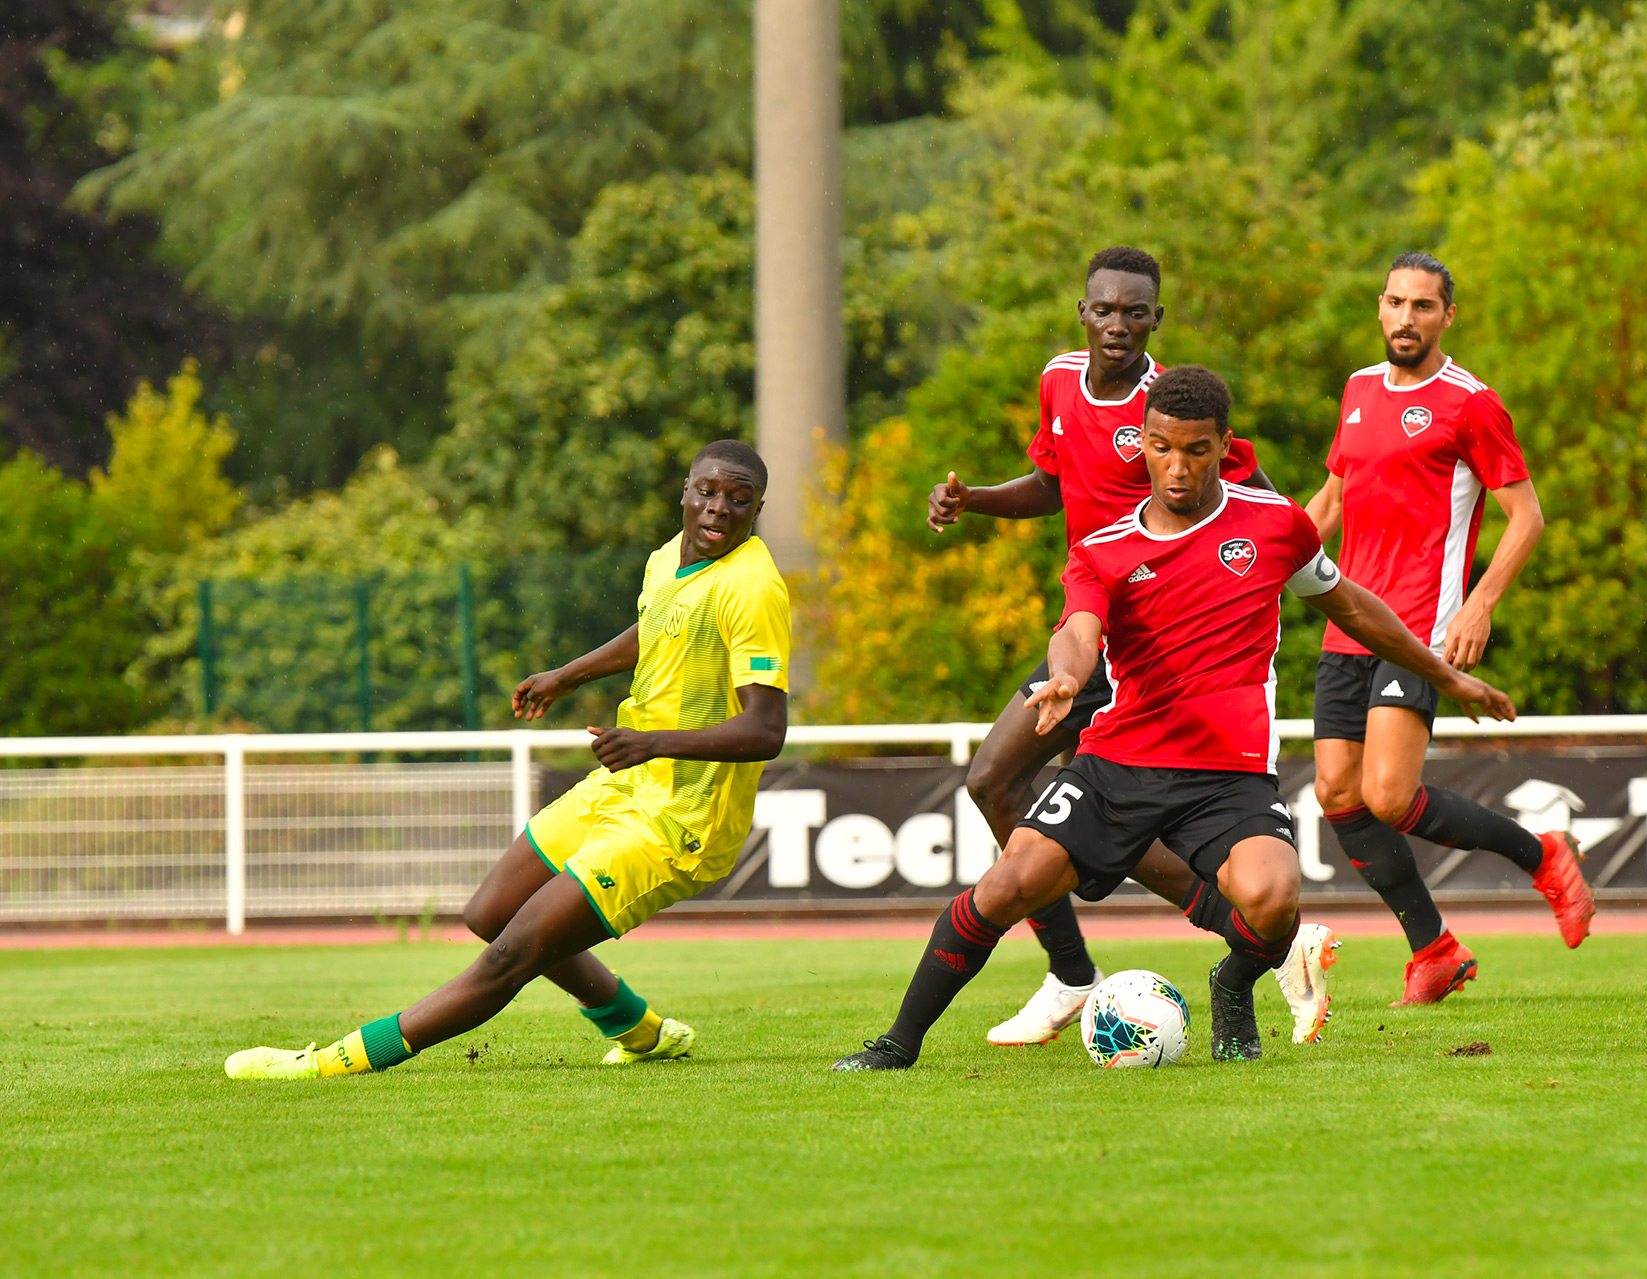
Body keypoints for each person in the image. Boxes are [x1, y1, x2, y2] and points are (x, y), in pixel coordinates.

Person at [835, 366, 1515, 1071]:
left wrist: (1446, 674)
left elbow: (1352, 606)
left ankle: (1232, 984)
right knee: (1008, 885)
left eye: (1195, 449)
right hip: (1118, 766)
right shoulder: (1103, 549)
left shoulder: (1276, 525)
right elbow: (1077, 627)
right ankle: (897, 1043)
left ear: (1225, 445)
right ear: (1145, 445)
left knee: (1273, 896)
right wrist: (1068, 674)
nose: (1177, 467)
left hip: (1230, 776)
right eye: (1160, 447)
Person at [224, 441, 791, 1080]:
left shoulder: (753, 587)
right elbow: (657, 628)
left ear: (758, 509)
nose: (719, 509)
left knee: (509, 957)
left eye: (738, 500)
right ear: (684, 493)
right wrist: (569, 676)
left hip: (679, 822)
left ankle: (328, 1063)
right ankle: (640, 1031)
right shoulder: (667, 560)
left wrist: (652, 742)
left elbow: (765, 730)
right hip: (626, 784)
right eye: (708, 492)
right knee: (490, 915)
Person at [927, 247, 1339, 1049]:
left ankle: (1143, 959)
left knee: (1030, 789)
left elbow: (1240, 492)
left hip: (1153, 646)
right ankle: (1082, 970)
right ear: (1083, 312)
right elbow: (1053, 484)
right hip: (1089, 628)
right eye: (1103, 310)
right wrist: (973, 498)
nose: (1116, 324)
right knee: (995, 783)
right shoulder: (1059, 379)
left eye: (1133, 312)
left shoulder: (1172, 404)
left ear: (1156, 319)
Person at [1303, 252, 1592, 1007]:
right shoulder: (1360, 390)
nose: (1406, 318)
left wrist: (1480, 601)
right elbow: (1330, 501)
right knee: (1337, 792)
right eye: (1396, 303)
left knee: (1390, 795)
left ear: (1447, 316)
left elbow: (1527, 516)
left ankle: (1544, 854)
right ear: (1379, 307)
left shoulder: (1470, 403)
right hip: (1348, 623)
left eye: (1423, 306)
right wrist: (1256, 564)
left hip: (1420, 624)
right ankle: (1433, 949)